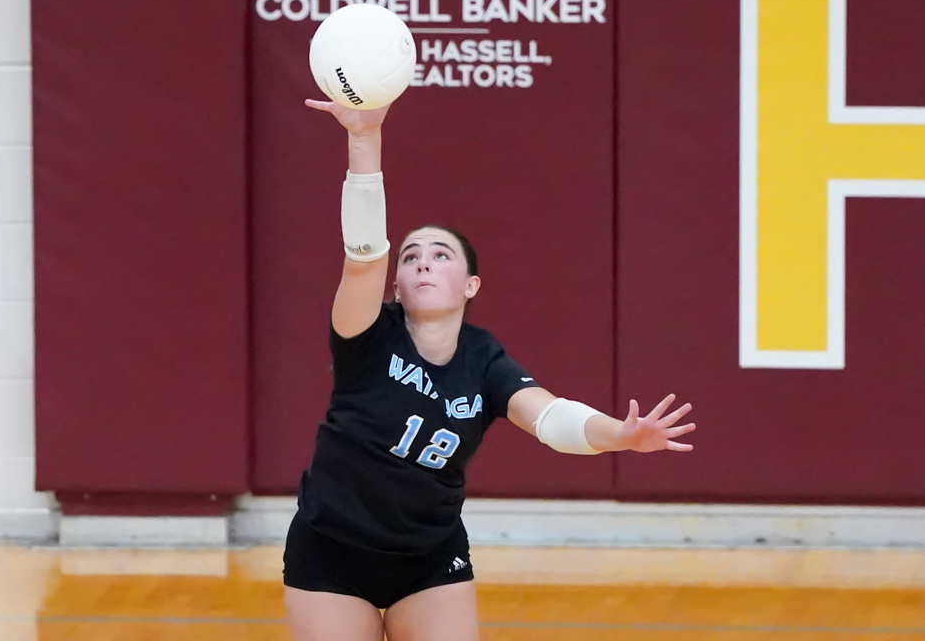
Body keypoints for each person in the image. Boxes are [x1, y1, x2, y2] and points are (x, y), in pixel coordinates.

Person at [283, 98, 697, 641]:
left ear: (470, 285)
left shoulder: (483, 360)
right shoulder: (365, 335)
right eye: (410, 257)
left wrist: (619, 435)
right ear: (397, 286)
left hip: (428, 558)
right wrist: (364, 141)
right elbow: (363, 259)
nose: (423, 261)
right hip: (331, 550)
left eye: (441, 255)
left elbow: (549, 417)